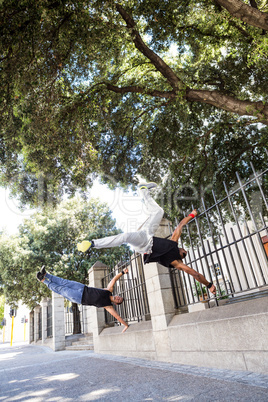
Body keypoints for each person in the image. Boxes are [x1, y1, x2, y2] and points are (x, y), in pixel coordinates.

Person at [77, 183, 216, 296]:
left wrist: (209, 285)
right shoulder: (174, 243)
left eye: (184, 253)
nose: (182, 250)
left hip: (143, 244)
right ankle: (143, 190)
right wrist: (192, 215)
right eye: (183, 249)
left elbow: (195, 274)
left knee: (125, 237)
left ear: (181, 256)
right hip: (147, 233)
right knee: (159, 212)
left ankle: (93, 244)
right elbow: (180, 225)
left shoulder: (176, 262)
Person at [36, 266, 129, 333]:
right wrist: (123, 272)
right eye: (119, 297)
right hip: (82, 287)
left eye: (118, 300)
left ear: (116, 303)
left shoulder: (108, 306)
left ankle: (43, 280)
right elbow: (113, 280)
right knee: (64, 282)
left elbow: (117, 317)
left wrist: (125, 325)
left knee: (62, 289)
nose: (118, 298)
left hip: (79, 297)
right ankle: (45, 274)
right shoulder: (109, 290)